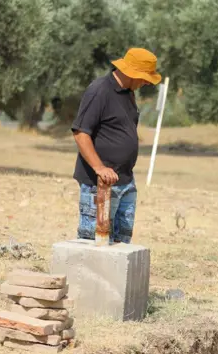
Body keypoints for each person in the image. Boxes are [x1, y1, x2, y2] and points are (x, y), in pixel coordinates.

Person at [71, 48, 162, 244]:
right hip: (99, 184)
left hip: (126, 181)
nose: (147, 82)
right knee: (95, 243)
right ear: (132, 72)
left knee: (121, 246)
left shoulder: (128, 93)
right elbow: (81, 133)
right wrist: (100, 168)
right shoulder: (99, 90)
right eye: (145, 77)